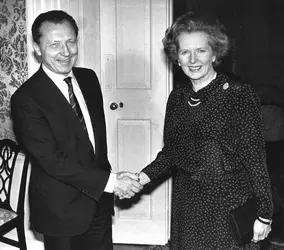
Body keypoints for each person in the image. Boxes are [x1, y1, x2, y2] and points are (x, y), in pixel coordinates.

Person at [136, 12, 274, 249]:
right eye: (185, 52)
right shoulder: (177, 98)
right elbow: (171, 153)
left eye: (200, 50)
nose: (192, 59)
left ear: (214, 53)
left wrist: (264, 213)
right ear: (176, 58)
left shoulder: (238, 95)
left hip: (227, 204)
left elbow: (255, 158)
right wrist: (141, 178)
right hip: (187, 204)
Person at [11, 10, 142, 250]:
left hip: (99, 201)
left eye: (71, 42)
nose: (66, 52)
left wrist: (107, 182)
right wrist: (112, 182)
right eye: (54, 45)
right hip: (61, 210)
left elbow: (92, 141)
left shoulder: (88, 78)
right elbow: (53, 162)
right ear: (38, 49)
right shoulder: (26, 98)